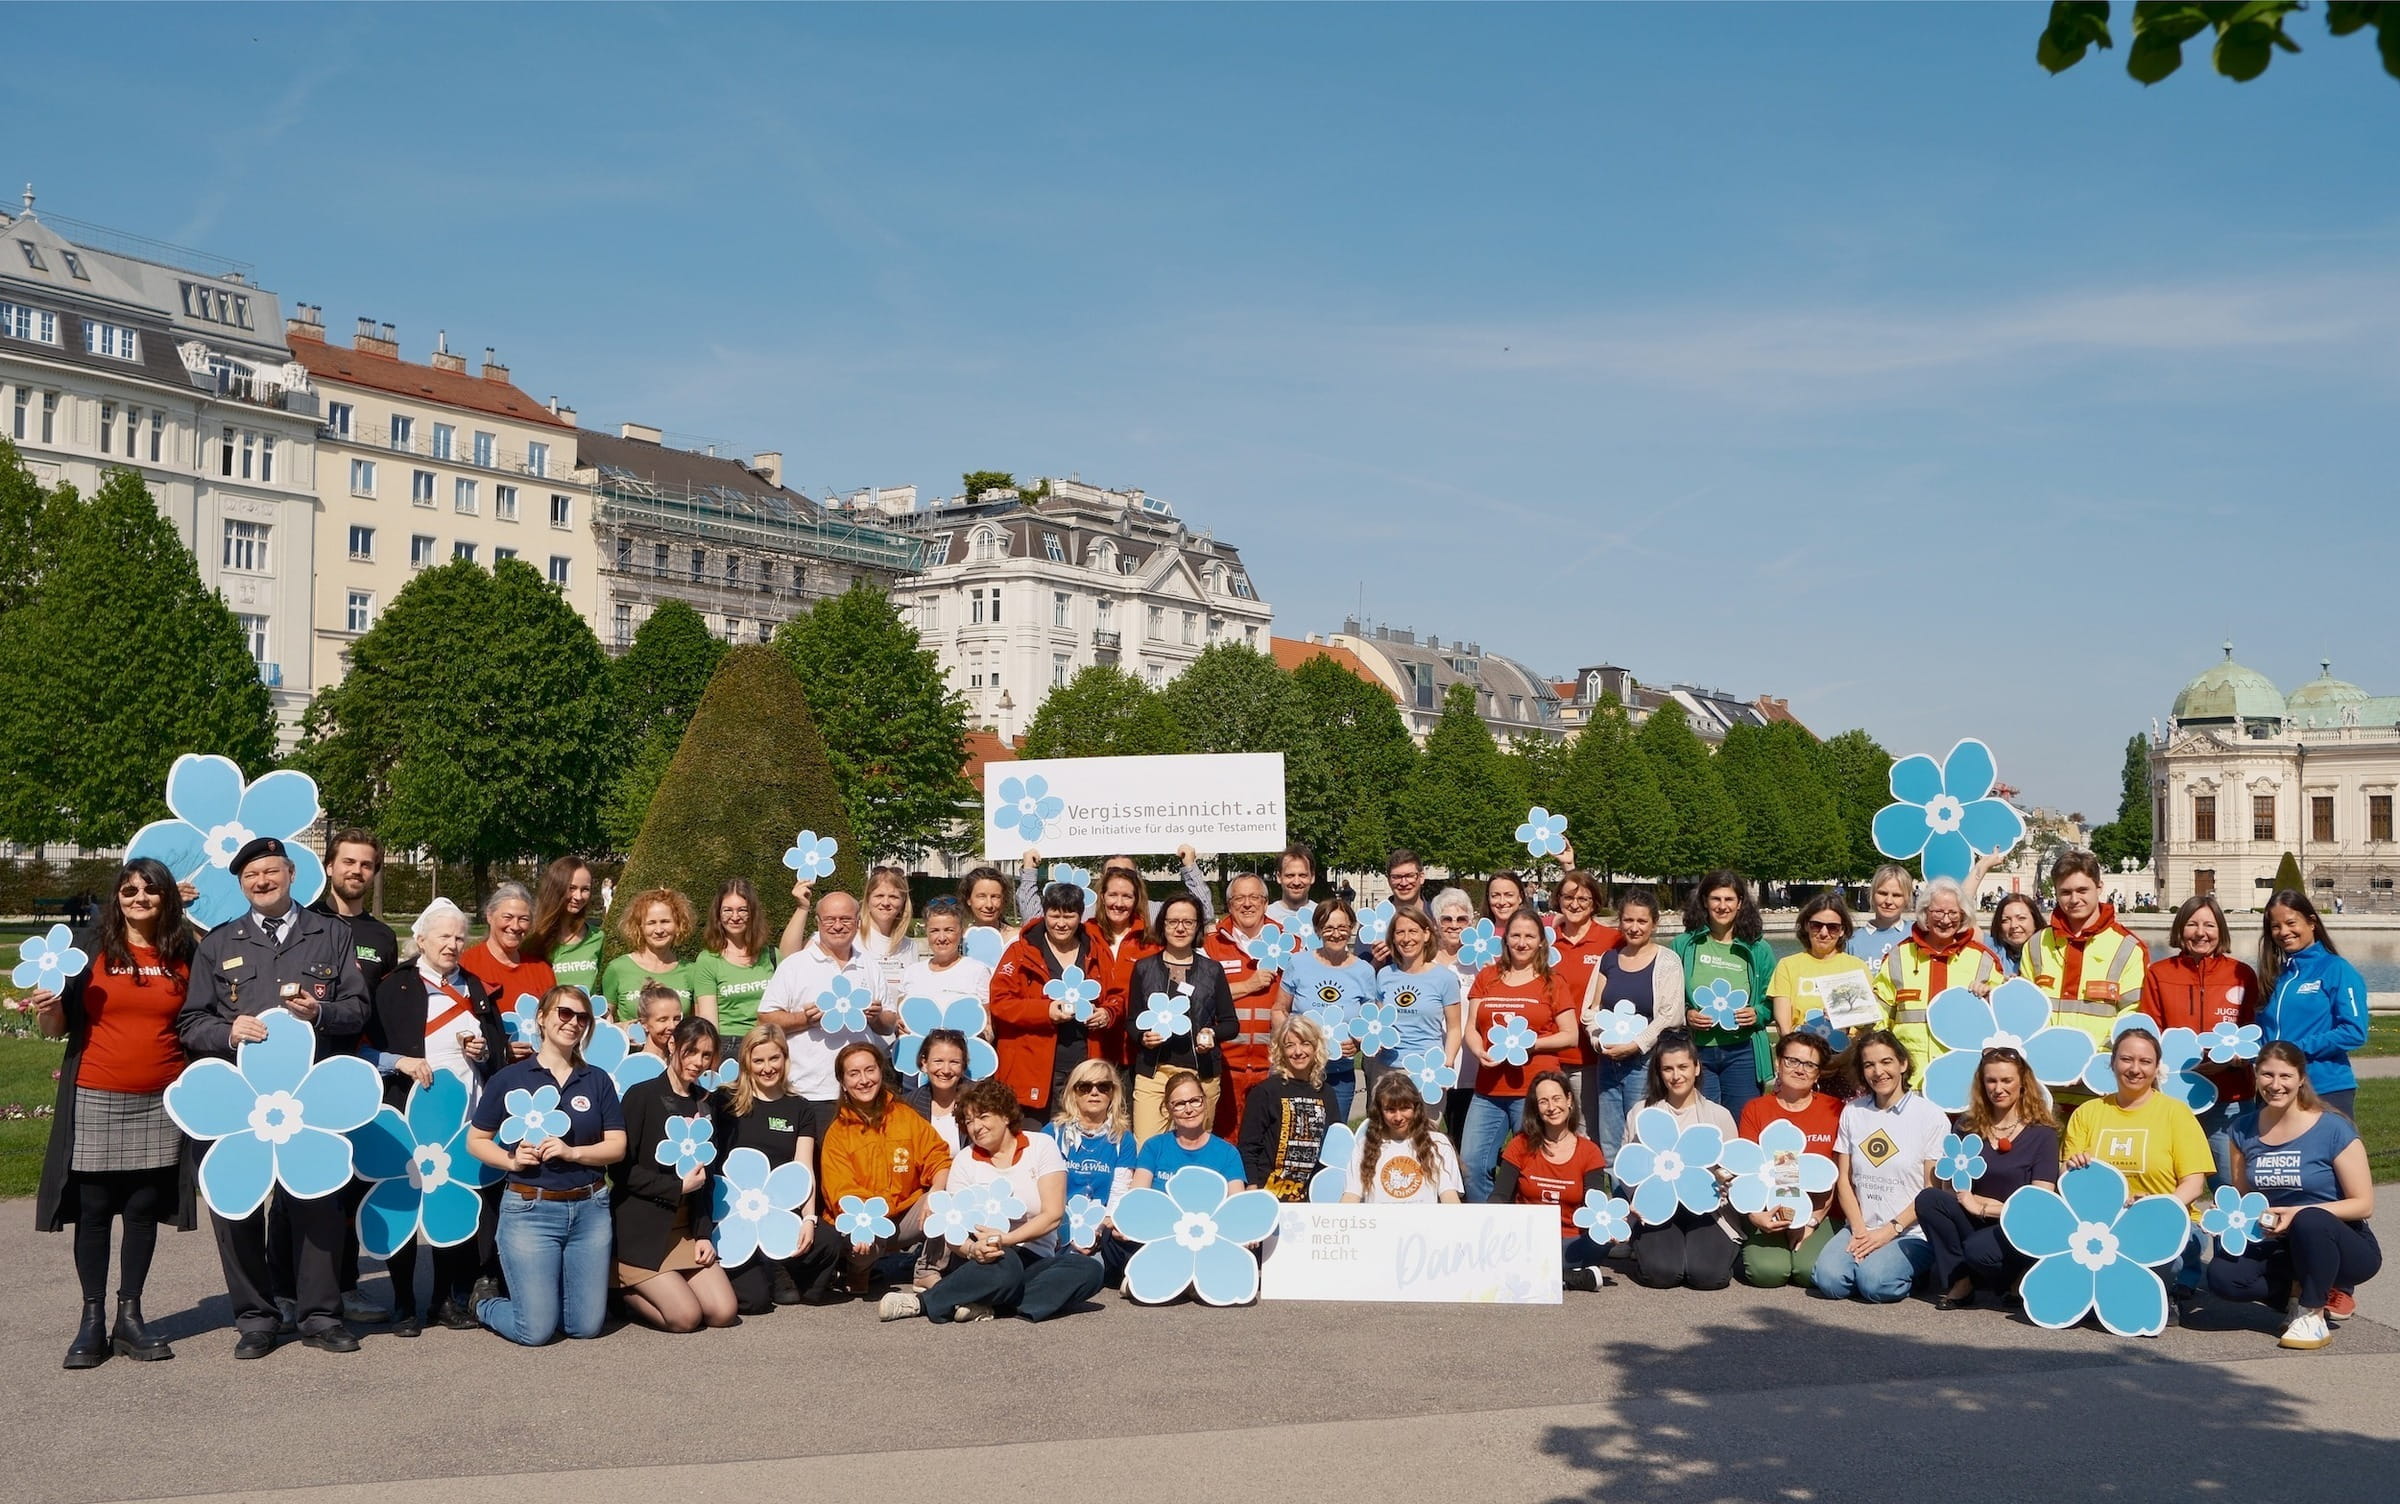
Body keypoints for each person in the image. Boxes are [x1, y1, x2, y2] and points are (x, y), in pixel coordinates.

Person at [174, 837, 372, 1358]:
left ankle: (319, 1315)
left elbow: (357, 1008)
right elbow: (191, 1023)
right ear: (241, 885)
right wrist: (228, 1031)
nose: (261, 882)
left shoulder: (330, 934)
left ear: (290, 874)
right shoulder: (217, 944)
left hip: (309, 1103)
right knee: (237, 1210)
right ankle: (256, 1317)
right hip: (242, 1105)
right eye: (250, 876)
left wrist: (321, 1014)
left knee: (318, 1206)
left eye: (270, 872)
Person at [32, 857, 196, 1369]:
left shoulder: (185, 951)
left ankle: (130, 1317)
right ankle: (91, 1320)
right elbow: (55, 1030)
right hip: (98, 1094)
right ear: (117, 896)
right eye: (129, 890)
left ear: (166, 897)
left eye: (149, 890)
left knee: (144, 1210)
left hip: (162, 1099)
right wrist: (48, 1010)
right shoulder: (91, 950)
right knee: (96, 1211)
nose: (138, 898)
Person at [361, 898, 510, 1335]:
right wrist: (399, 1062)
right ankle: (404, 1303)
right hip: (411, 1112)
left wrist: (483, 1054)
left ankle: (446, 1298)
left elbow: (497, 1051)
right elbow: (363, 1049)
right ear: (421, 939)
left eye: (460, 936)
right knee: (404, 1204)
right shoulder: (393, 987)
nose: (453, 944)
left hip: (464, 1113)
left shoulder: (476, 989)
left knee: (455, 1205)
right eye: (444, 936)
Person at [466, 986, 625, 1344]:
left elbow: (617, 1146)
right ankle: (484, 1304)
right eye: (564, 1013)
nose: (572, 1023)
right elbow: (475, 1141)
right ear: (542, 1018)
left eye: (582, 1017)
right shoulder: (509, 1078)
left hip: (590, 1209)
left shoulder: (596, 1080)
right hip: (530, 1210)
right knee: (535, 1331)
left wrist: (573, 1153)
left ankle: (544, 1303)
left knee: (584, 1328)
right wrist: (510, 1158)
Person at [883, 1078, 1107, 1323]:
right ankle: (922, 1303)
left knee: (1089, 1270)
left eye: (983, 1116)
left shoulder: (1041, 1145)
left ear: (1006, 1115)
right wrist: (971, 1250)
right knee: (1005, 1261)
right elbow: (954, 1228)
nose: (975, 1126)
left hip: (1035, 1259)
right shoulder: (965, 1160)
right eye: (968, 1121)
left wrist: (1008, 1239)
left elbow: (1052, 1215)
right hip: (983, 1259)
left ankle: (985, 1303)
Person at [2209, 1042, 2381, 1350]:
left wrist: (2296, 1214)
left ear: (2301, 1078)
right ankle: (2296, 1291)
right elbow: (2245, 1198)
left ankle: (2312, 1311)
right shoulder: (2242, 1130)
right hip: (2279, 1242)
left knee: (2310, 1219)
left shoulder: (2332, 1128)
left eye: (2285, 1076)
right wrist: (2226, 1216)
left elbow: (2364, 1204)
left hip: (2341, 1243)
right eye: (2267, 1075)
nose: (2276, 1085)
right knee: (2223, 1276)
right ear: (2255, 1074)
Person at [309, 829, 402, 1323]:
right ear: (329, 866)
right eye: (347, 862)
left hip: (358, 1075)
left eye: (366, 865)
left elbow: (385, 1014)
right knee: (301, 1189)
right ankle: (289, 1289)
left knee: (350, 1184)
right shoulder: (304, 922)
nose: (356, 872)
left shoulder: (381, 937)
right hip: (304, 1074)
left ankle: (345, 1285)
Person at [2063, 1024, 2213, 1324]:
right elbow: (2064, 1174)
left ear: (2157, 1067)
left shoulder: (2176, 1113)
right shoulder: (2088, 1112)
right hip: (2102, 1223)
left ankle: (2164, 1289)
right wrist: (2072, 1166)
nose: (2135, 1069)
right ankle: (2105, 1293)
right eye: (2126, 1059)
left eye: (2145, 1061)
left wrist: (2157, 1208)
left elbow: (2194, 1184)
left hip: (2160, 1219)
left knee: (2163, 1255)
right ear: (2112, 1062)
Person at [612, 1016, 737, 1333]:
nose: (698, 1062)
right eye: (691, 1051)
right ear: (673, 1045)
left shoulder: (707, 1105)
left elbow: (706, 1179)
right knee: (686, 1318)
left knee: (723, 1312)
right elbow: (621, 1170)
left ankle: (672, 1283)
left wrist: (704, 1234)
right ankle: (622, 1292)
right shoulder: (641, 1096)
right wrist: (676, 1187)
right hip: (644, 1232)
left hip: (685, 1231)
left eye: (706, 1055)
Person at [1915, 1046, 2059, 1311]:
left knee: (1978, 1249)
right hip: (1973, 1216)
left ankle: (2018, 1275)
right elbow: (1952, 1188)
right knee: (1929, 1199)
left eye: (2006, 1080)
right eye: (1991, 1080)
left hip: (2016, 1227)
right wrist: (1972, 1203)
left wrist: (1982, 1206)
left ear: (2022, 1083)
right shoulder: (1966, 1127)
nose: (1998, 1088)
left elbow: (2039, 1205)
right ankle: (1963, 1280)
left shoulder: (2043, 1134)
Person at [1812, 1029, 1948, 1303]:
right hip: (1863, 1227)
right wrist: (1860, 1229)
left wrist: (1889, 1231)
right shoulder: (1854, 1111)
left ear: (1903, 1064)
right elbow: (1844, 1180)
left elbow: (1930, 1192)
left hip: (1910, 1231)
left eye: (1886, 1062)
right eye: (1869, 1065)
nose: (1878, 1072)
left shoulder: (1931, 1116)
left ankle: (1912, 1271)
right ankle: (1875, 1262)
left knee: (1874, 1284)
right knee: (1829, 1281)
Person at [715, 1024, 840, 1312]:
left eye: (774, 1059)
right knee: (755, 1301)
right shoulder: (725, 1101)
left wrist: (809, 1219)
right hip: (734, 1215)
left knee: (830, 1242)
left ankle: (779, 1264)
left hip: (781, 1214)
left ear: (785, 1058)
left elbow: (803, 1167)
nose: (767, 1067)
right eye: (758, 1060)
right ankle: (769, 1269)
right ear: (746, 1062)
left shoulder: (799, 1108)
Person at [758, 889, 893, 1144]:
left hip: (861, 1091)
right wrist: (803, 1019)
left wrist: (876, 1018)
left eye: (845, 919)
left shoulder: (870, 965)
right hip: (809, 1090)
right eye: (829, 919)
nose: (837, 926)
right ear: (818, 923)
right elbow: (766, 1020)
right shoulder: (795, 965)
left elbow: (889, 1025)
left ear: (858, 922)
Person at [819, 1041, 951, 1298]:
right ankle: (856, 1269)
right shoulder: (837, 1133)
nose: (864, 1080)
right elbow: (840, 1191)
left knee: (949, 1197)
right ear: (843, 1082)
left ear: (881, 1072)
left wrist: (936, 1191)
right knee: (864, 1248)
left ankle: (926, 1270)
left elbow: (938, 1156)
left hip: (904, 1216)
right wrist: (864, 1225)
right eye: (854, 1074)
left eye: (870, 1070)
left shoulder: (904, 1115)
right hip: (863, 1222)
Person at [2145, 894, 2263, 1183]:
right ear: (2179, 930)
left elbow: (2254, 1031)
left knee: (2232, 1187)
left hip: (2230, 1098)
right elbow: (2150, 1032)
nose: (2201, 933)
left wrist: (2232, 1062)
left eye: (2209, 925)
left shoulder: (2241, 974)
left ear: (2220, 930)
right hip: (2173, 1098)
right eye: (2192, 924)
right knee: (2168, 1186)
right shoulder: (2158, 973)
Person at [1462, 911, 1578, 1203]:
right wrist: (1478, 1050)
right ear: (1506, 939)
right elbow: (1472, 1028)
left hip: (1534, 1090)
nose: (1522, 942)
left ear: (1541, 941)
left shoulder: (1553, 982)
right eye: (1515, 935)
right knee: (1472, 1164)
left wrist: (1531, 1045)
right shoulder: (1487, 976)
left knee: (1533, 1167)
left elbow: (1570, 1035)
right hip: (1489, 1089)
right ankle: (1490, 1223)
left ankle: (1528, 1229)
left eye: (1529, 936)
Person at [1621, 1033, 1740, 1291]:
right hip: (1657, 1209)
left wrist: (1724, 1178)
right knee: (1662, 1275)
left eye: (1683, 1067)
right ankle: (1656, 1250)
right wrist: (1637, 1200)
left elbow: (1734, 1172)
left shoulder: (1719, 1116)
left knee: (1708, 1277)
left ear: (1697, 1067)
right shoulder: (1641, 1113)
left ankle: (1699, 1251)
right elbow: (1627, 1166)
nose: (1676, 1076)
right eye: (1668, 1069)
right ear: (1659, 1072)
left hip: (1709, 1211)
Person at [992, 882, 1118, 1117]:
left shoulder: (1096, 950)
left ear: (1080, 916)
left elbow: (1115, 996)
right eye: (1055, 915)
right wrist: (1045, 1011)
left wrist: (1107, 1013)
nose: (1061, 923)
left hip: (1084, 1066)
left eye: (1069, 916)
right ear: (1045, 913)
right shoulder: (1020, 952)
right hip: (1035, 1067)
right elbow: (1000, 1002)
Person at [1579, 888, 1683, 1164]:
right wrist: (1598, 1040)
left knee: (1641, 1137)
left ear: (1654, 924)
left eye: (1641, 921)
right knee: (1610, 1142)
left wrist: (1635, 1045)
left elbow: (1669, 1015)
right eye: (1628, 920)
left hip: (1644, 1063)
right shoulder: (1609, 959)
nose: (1634, 928)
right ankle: (1614, 1201)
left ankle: (1641, 1201)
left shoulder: (1668, 962)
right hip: (1608, 1061)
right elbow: (1592, 1009)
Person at [1735, 1032, 1846, 1290]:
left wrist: (1810, 1221)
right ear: (1778, 1063)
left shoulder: (1836, 1110)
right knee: (1768, 1273)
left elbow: (1840, 1173)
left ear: (1818, 1074)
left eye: (1809, 1065)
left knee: (1809, 1272)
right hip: (1768, 1209)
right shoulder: (1756, 1109)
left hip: (1821, 1211)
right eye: (1792, 1061)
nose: (1799, 1069)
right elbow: (1748, 1170)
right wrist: (1756, 1216)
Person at [1126, 892, 1237, 1138]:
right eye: (1173, 921)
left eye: (1188, 922)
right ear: (1162, 925)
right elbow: (1132, 1021)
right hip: (1154, 1074)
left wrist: (1212, 1033)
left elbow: (1231, 1024)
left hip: (1201, 1075)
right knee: (1147, 1147)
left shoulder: (1212, 970)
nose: (1180, 928)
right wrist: (1143, 1037)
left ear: (1197, 926)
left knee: (1195, 1149)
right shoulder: (1143, 969)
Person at [1874, 878, 2001, 1092]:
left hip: (1967, 1083)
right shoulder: (1898, 957)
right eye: (1938, 912)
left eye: (1953, 913)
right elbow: (1878, 1020)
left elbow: (2002, 1021)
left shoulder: (1984, 960)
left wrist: (1991, 997)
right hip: (1908, 1083)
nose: (1945, 919)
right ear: (1925, 914)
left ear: (1963, 916)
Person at [1666, 870, 1776, 1116]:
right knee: (1702, 1123)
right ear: (1704, 901)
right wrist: (1687, 1014)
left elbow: (1773, 1001)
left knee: (1742, 1123)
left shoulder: (1759, 949)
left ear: (1740, 903)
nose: (1722, 906)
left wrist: (1757, 1013)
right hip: (1696, 1051)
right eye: (1716, 898)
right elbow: (1668, 997)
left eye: (1729, 899)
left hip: (1743, 1052)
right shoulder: (1683, 944)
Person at [2021, 849, 2148, 1055]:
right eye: (2065, 892)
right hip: (2043, 1069)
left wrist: (2099, 1060)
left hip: (2102, 1071)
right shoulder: (2036, 944)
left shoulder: (2128, 948)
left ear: (2099, 888)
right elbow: (2024, 1011)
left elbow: (2132, 1017)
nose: (2074, 899)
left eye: (2082, 890)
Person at [2257, 888, 2370, 1119]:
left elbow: (2354, 1032)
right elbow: (2265, 1033)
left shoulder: (2336, 969)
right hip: (2275, 1091)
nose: (2284, 932)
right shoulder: (2276, 976)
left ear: (2311, 922)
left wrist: (2293, 1050)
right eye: (2276, 926)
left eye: (2291, 923)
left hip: (2324, 1087)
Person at [1497, 1070, 1611, 1290]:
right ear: (1536, 1110)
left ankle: (1542, 1273)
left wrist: (1609, 1226)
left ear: (1569, 1100)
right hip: (1526, 1239)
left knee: (1599, 1244)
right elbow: (1500, 1195)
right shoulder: (1520, 1144)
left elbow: (1595, 1206)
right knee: (1513, 1252)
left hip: (1571, 1240)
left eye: (1557, 1098)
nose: (1551, 1107)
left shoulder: (1590, 1151)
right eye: (1543, 1101)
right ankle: (1572, 1277)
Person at [1204, 873, 1285, 1136]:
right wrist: (1248, 986)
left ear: (1265, 903)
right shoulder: (1212, 944)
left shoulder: (1287, 944)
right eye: (1239, 898)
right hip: (1225, 1067)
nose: (1247, 904)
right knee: (1224, 1141)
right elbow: (1201, 996)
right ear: (1229, 905)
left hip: (1271, 1066)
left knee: (1266, 1141)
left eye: (1254, 897)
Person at [1281, 898, 1375, 1118]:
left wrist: (1359, 1042)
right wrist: (1288, 1044)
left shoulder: (1364, 971)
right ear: (1317, 930)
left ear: (1352, 928)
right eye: (1329, 927)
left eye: (1343, 927)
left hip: (1340, 1075)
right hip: (1298, 1072)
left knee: (1334, 1140)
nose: (1336, 934)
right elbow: (1279, 1010)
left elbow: (1371, 1021)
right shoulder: (1298, 963)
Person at [1050, 1056, 1140, 1283]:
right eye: (1085, 1087)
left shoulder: (1123, 1139)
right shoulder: (1054, 1133)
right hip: (1057, 1225)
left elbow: (1118, 1195)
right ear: (1073, 1093)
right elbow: (1044, 1193)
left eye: (1103, 1087)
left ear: (1113, 1094)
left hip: (1101, 1228)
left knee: (1093, 1267)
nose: (1094, 1093)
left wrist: (1096, 1230)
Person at [1240, 1016, 1340, 1201]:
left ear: (1315, 1047)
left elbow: (1334, 1148)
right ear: (1281, 1051)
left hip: (1312, 1197)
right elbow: (1248, 1147)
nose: (1298, 1052)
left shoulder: (1326, 1093)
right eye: (1290, 1045)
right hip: (1268, 1195)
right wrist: (1251, 1190)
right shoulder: (1265, 1092)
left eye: (1305, 1044)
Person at [1767, 892, 1878, 1054]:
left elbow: (1867, 1025)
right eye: (1816, 925)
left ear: (1842, 931)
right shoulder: (1787, 966)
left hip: (1846, 1057)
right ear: (1806, 925)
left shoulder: (1857, 967)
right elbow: (1783, 1026)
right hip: (1801, 1056)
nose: (1824, 933)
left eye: (1833, 927)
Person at [1375, 902, 1462, 1102]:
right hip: (1388, 1070)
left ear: (1426, 934)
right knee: (1384, 1133)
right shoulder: (1384, 975)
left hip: (1427, 1071)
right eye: (1400, 932)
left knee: (1424, 1133)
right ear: (1393, 938)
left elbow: (1455, 1028)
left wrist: (1446, 1064)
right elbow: (1380, 1024)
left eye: (1413, 931)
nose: (1407, 939)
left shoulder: (1445, 978)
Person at [1546, 870, 1623, 1094]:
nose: (1575, 904)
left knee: (1585, 1128)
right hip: (1548, 1055)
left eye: (1583, 899)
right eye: (1568, 897)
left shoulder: (1612, 940)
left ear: (1594, 903)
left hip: (1590, 1056)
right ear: (1558, 900)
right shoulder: (1545, 941)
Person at [1344, 1070, 1465, 1205]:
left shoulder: (1438, 1143)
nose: (1398, 1117)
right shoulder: (1364, 1146)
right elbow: (1351, 1196)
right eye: (1390, 1110)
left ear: (1416, 1108)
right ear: (1379, 1111)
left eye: (1405, 1108)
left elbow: (1450, 1197)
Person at [1014, 847, 1214, 927]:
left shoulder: (1156, 912)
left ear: (1138, 879)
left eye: (1127, 874)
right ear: (1102, 880)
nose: (1120, 880)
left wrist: (1189, 866)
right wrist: (1030, 871)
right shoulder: (1085, 916)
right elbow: (1035, 923)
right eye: (1113, 874)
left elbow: (1203, 915)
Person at [1085, 867, 1156, 1067]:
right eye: (1113, 895)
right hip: (1091, 1050)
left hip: (1134, 1051)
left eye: (1127, 896)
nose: (1118, 903)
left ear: (1137, 900)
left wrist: (1111, 1011)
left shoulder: (1150, 943)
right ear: (1102, 897)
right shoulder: (1084, 935)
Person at [1132, 1070, 1248, 1190]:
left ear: (1204, 1101)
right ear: (1168, 1108)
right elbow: (1137, 1198)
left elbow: (1236, 1204)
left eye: (1194, 1101)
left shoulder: (1228, 1153)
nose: (1189, 1109)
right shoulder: (1153, 1147)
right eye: (1179, 1104)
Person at [1430, 885, 1483, 1140]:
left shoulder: (1482, 963)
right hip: (1434, 1065)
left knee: (1466, 1145)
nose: (1454, 925)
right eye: (1446, 919)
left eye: (1461, 919)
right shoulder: (1424, 962)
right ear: (1436, 923)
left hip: (1473, 1068)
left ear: (1471, 921)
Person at [693, 878, 779, 1034]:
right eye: (727, 910)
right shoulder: (708, 960)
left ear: (752, 913)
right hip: (729, 1043)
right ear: (718, 914)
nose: (735, 917)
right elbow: (708, 1021)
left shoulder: (772, 956)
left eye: (742, 910)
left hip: (768, 1040)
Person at [599, 887, 698, 1021]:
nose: (659, 930)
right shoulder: (617, 968)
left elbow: (697, 1024)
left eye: (665, 921)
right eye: (651, 923)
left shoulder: (691, 971)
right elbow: (604, 1022)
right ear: (639, 927)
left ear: (678, 925)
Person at [458, 882, 556, 1011]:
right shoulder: (466, 965)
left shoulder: (542, 970)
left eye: (523, 919)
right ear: (489, 916)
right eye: (507, 917)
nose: (515, 926)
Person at [900, 898, 994, 1020]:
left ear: (961, 932)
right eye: (934, 931)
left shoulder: (977, 971)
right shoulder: (912, 972)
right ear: (926, 933)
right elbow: (901, 1018)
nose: (942, 937)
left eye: (949, 930)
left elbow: (988, 1023)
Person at [527, 855, 605, 999]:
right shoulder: (533, 938)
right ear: (556, 888)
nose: (578, 896)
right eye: (572, 888)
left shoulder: (597, 937)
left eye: (585, 889)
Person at [900, 1029, 973, 1154]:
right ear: (924, 1063)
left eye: (954, 1062)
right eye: (938, 1061)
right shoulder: (908, 1105)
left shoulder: (978, 1101)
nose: (946, 1070)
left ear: (963, 1066)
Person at [859, 865, 919, 1008]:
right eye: (879, 896)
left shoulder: (910, 947)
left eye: (893, 897)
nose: (885, 903)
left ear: (903, 902)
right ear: (868, 899)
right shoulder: (850, 939)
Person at [1361, 848, 1429, 967]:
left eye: (1409, 875)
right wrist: (1377, 962)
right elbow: (1360, 975)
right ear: (1388, 880)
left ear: (1421, 877)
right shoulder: (1371, 923)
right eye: (1396, 877)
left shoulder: (1439, 918)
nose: (1403, 883)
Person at [1849, 865, 1914, 968]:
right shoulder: (1853, 941)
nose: (1888, 901)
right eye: (1883, 893)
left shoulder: (1917, 934)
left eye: (1896, 895)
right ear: (1872, 895)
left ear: (1906, 899)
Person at [1986, 891, 2044, 980]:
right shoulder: (1994, 948)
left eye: (2021, 918)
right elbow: (1963, 907)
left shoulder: (2051, 950)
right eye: (2005, 920)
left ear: (2035, 921)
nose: (2013, 925)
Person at [1267, 841, 1319, 928]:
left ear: (1312, 877)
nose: (1296, 882)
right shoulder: (1265, 916)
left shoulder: (1323, 916)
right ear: (1279, 877)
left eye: (1302, 875)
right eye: (1290, 876)